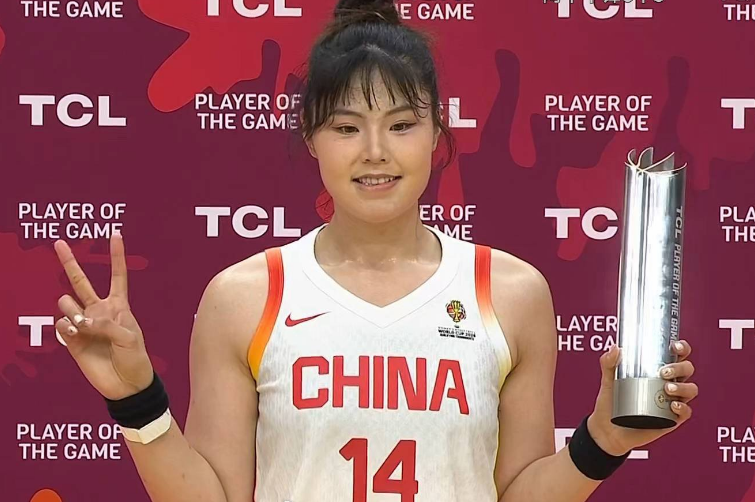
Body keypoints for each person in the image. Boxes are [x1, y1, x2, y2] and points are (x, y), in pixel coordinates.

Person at [52, 0, 699, 501]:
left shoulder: (509, 292)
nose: (375, 152)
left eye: (401, 125)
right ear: (310, 136)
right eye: (345, 127)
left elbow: (517, 494)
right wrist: (136, 399)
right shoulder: (244, 296)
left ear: (437, 132)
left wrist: (602, 439)